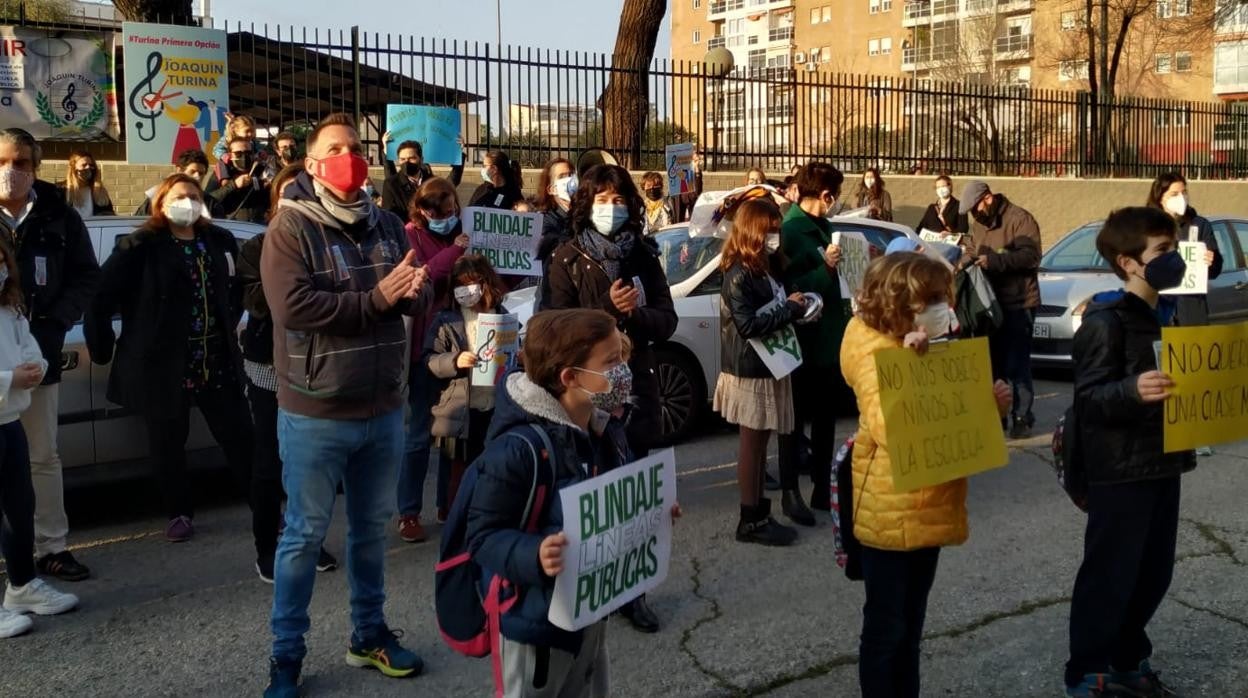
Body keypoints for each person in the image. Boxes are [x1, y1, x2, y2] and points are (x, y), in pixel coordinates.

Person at [260, 113, 429, 696]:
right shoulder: (291, 229)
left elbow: (407, 288)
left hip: (382, 407)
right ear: (311, 165)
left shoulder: (384, 223)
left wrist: (413, 290)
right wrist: (376, 298)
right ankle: (286, 656)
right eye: (334, 149)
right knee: (304, 536)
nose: (348, 158)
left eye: (355, 148)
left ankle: (369, 635)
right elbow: (294, 308)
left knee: (368, 533)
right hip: (315, 411)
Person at [842, 252, 1011, 698]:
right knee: (887, 630)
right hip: (889, 510)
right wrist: (911, 360)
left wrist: (988, 405)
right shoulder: (876, 351)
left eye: (943, 297)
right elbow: (891, 426)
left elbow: (951, 415)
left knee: (910, 630)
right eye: (932, 298)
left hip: (927, 507)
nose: (944, 308)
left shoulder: (925, 344)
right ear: (900, 302)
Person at [465, 308, 637, 698]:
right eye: (612, 362)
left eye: (622, 358)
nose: (623, 371)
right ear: (570, 378)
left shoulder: (601, 428)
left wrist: (649, 515)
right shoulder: (518, 449)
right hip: (535, 627)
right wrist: (535, 554)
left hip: (589, 614)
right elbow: (482, 537)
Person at [1064, 207, 1196, 698]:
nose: (1172, 260)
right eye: (1162, 251)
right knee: (1110, 573)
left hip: (1164, 460)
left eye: (1173, 248)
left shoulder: (1169, 313)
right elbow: (1090, 400)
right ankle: (1087, 670)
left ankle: (1126, 658)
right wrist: (1132, 391)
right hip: (1119, 468)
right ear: (1128, 262)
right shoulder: (1106, 322)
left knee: (1153, 572)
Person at [540, 163, 677, 633]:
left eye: (619, 200)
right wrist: (605, 314)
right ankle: (582, 588)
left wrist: (635, 317)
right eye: (602, 200)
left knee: (630, 497)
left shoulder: (642, 255)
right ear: (586, 204)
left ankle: (631, 592)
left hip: (634, 387)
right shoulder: (566, 258)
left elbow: (667, 318)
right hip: (582, 395)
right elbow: (551, 326)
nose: (611, 209)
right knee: (583, 497)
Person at [85, 174, 255, 545]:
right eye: (179, 197)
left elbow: (238, 287)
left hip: (215, 359)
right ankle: (179, 512)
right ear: (161, 203)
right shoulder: (140, 246)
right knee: (167, 442)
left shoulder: (218, 240)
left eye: (194, 196)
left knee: (240, 436)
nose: (188, 203)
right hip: (163, 363)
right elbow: (100, 297)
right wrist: (101, 347)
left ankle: (264, 506)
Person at [0, 128, 100, 584]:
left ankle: (52, 548)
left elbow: (85, 276)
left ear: (35, 166)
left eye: (21, 162)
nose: (11, 171)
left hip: (39, 353)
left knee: (43, 455)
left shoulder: (58, 212)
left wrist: (55, 324)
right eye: (3, 160)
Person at [238, 163, 338, 582]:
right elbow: (264, 304)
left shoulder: (329, 243)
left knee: (308, 462)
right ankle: (267, 545)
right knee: (267, 461)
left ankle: (307, 539)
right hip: (269, 369)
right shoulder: (254, 248)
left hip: (316, 365)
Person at [715, 196, 807, 546]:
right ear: (753, 230)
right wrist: (791, 312)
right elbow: (748, 325)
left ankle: (760, 513)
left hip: (770, 364)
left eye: (777, 231)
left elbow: (777, 305)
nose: (775, 237)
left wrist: (799, 305)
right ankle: (749, 519)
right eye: (770, 231)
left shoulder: (767, 266)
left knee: (761, 443)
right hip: (749, 369)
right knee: (751, 446)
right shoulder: (738, 273)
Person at [0, 236, 79, 638]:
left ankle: (21, 586)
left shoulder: (10, 306)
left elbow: (28, 347)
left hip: (8, 419)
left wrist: (34, 366)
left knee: (19, 505)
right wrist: (10, 378)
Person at [396, 177, 470, 543]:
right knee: (419, 434)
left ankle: (447, 503)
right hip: (425, 347)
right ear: (424, 212)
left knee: (454, 430)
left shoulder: (467, 232)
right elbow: (422, 276)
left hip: (463, 343)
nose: (447, 217)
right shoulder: (410, 235)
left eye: (452, 210)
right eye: (440, 213)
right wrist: (455, 251)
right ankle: (408, 511)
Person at [777, 163, 844, 523]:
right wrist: (825, 270)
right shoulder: (790, 230)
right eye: (834, 195)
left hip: (829, 338)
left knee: (826, 420)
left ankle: (822, 487)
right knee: (793, 420)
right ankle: (791, 492)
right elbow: (788, 286)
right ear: (825, 195)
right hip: (801, 340)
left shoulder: (826, 227)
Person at [425, 254, 508, 512]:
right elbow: (429, 359)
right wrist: (455, 360)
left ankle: (480, 510)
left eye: (470, 283)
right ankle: (448, 511)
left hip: (493, 404)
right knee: (455, 468)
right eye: (459, 285)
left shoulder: (502, 315)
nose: (465, 291)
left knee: (488, 463)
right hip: (459, 408)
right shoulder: (445, 319)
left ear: (485, 284)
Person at [959, 180, 1041, 439]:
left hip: (1019, 303)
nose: (974, 214)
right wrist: (960, 262)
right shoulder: (979, 223)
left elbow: (1031, 256)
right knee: (994, 365)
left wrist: (994, 261)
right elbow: (972, 248)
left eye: (975, 208)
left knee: (1018, 364)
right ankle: (999, 416)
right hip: (990, 305)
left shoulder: (1020, 219)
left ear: (988, 198)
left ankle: (1022, 417)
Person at [1145, 171, 1223, 328]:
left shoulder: (1200, 225)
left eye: (1184, 192)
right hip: (1158, 307)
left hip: (1191, 308)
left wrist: (1212, 260)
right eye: (1174, 194)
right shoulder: (1148, 227)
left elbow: (1215, 269)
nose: (1181, 198)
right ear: (1161, 198)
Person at [380, 138, 465, 222]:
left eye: (411, 158)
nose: (406, 162)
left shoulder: (431, 181)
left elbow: (449, 184)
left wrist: (459, 154)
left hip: (430, 232)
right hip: (406, 233)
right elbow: (388, 215)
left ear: (421, 160)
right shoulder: (391, 184)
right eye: (402, 159)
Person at [205, 134, 270, 223]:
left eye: (248, 153)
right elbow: (207, 200)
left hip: (257, 227)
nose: (244, 157)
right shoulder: (222, 173)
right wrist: (233, 184)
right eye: (238, 153)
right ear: (230, 155)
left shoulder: (260, 171)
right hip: (231, 227)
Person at [135, 149, 210, 216]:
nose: (197, 177)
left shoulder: (211, 204)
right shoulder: (157, 198)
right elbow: (139, 223)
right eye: (192, 172)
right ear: (179, 170)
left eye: (201, 173)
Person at [59, 151, 114, 218]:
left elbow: (108, 215)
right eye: (84, 165)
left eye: (91, 165)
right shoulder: (61, 190)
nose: (88, 167)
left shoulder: (100, 191)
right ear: (74, 168)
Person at [640, 171, 674, 235]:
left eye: (655, 185)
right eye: (649, 185)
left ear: (661, 187)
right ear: (643, 187)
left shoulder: (669, 203)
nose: (652, 188)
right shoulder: (641, 207)